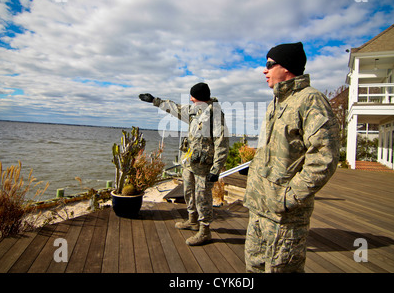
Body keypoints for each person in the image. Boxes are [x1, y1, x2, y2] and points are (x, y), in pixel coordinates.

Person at [243, 42, 340, 272]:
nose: (264, 70)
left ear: (285, 68)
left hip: (284, 218)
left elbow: (325, 157)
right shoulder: (276, 102)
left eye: (269, 64)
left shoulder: (310, 100)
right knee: (253, 267)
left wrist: (289, 197)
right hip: (259, 209)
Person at [139, 83, 229, 246]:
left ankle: (205, 231)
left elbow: (222, 143)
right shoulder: (195, 110)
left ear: (200, 98)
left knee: (202, 197)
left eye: (192, 97)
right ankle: (192, 220)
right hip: (190, 162)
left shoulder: (215, 116)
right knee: (188, 192)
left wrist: (216, 169)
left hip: (204, 166)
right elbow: (176, 108)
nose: (190, 99)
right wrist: (155, 101)